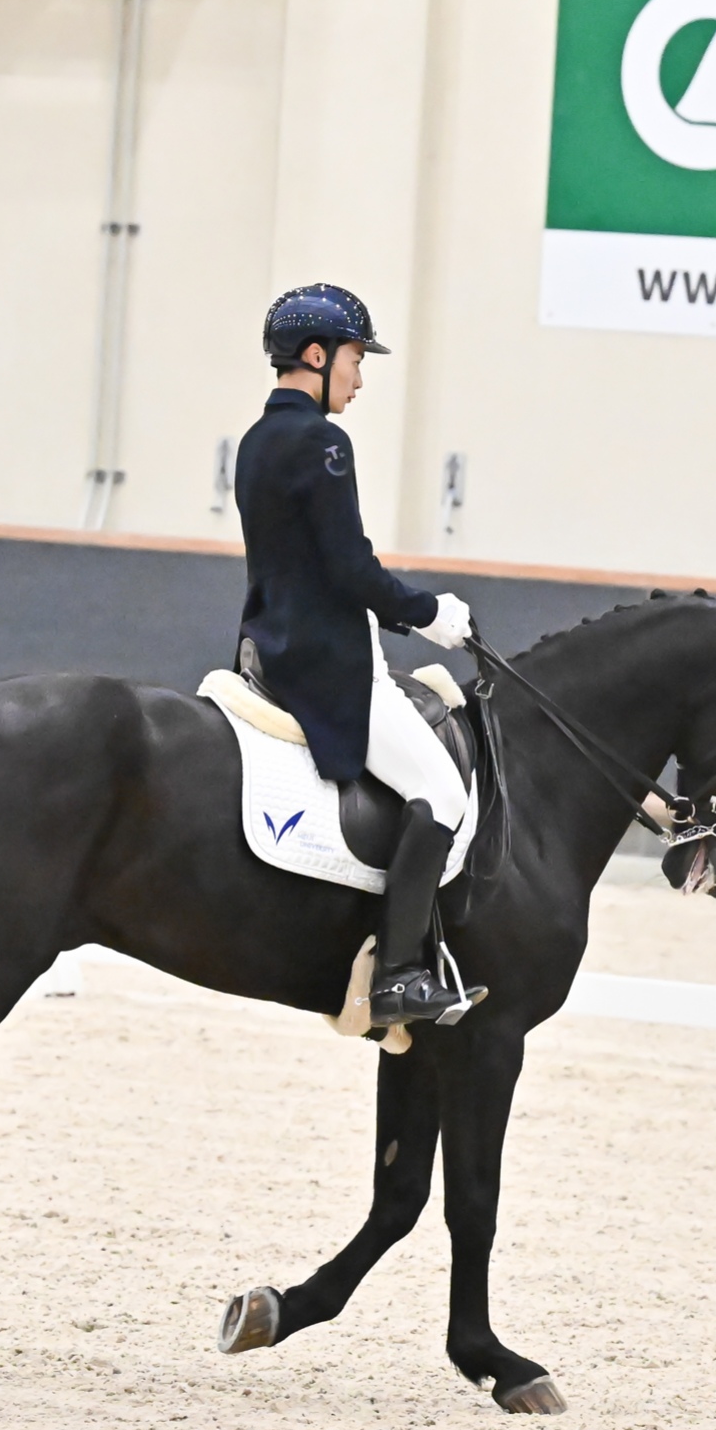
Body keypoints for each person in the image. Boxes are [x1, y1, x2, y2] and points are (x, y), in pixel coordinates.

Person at [235, 283, 480, 1027]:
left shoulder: (256, 439)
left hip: (269, 647)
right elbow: (349, 569)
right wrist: (429, 613)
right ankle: (399, 975)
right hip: (328, 663)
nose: (360, 379)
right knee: (442, 794)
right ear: (316, 356)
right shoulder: (322, 442)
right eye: (354, 360)